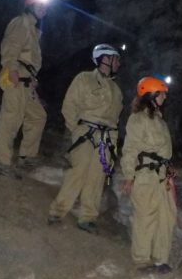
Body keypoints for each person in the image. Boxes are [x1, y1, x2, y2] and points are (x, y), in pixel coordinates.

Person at [47, 44, 124, 234]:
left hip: (107, 137)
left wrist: (112, 140)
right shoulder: (84, 79)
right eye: (115, 58)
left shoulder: (116, 90)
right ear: (104, 58)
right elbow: (69, 105)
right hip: (85, 131)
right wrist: (77, 130)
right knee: (78, 171)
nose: (118, 63)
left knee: (97, 177)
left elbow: (116, 119)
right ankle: (58, 211)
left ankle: (87, 218)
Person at [120, 75, 176, 273]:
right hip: (145, 175)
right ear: (151, 95)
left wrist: (168, 173)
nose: (164, 98)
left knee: (166, 216)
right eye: (161, 94)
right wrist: (128, 176)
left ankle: (160, 258)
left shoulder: (160, 121)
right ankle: (142, 260)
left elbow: (165, 151)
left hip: (162, 175)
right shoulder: (138, 119)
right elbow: (130, 149)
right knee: (145, 216)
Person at [0, 0, 48, 177]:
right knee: (11, 119)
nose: (43, 8)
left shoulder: (33, 29)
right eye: (40, 4)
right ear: (30, 5)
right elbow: (10, 47)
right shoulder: (21, 23)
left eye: (45, 6)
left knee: (38, 116)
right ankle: (1, 162)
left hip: (27, 81)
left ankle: (27, 156)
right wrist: (12, 69)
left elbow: (30, 60)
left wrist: (32, 80)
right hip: (16, 78)